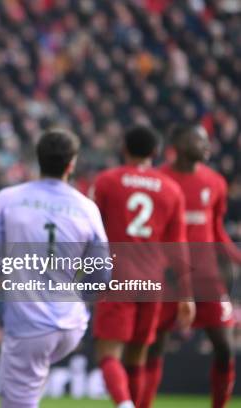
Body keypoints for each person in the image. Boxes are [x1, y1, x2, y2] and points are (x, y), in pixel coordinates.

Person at [0, 128, 111, 408]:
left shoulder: (9, 198)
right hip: (72, 324)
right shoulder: (87, 208)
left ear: (38, 159)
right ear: (71, 164)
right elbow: (102, 274)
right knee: (21, 384)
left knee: (18, 400)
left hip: (30, 322)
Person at [90, 125, 195, 408]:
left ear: (124, 149)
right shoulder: (171, 189)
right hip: (152, 281)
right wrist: (186, 294)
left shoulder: (107, 182)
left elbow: (89, 229)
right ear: (155, 153)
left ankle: (125, 404)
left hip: (118, 276)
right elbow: (178, 246)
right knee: (138, 356)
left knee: (109, 353)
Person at [143, 125, 241, 408]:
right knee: (154, 347)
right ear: (178, 143)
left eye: (206, 140)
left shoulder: (216, 183)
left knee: (224, 348)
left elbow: (217, 231)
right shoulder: (159, 180)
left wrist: (237, 257)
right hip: (167, 277)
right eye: (199, 139)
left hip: (207, 279)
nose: (206, 145)